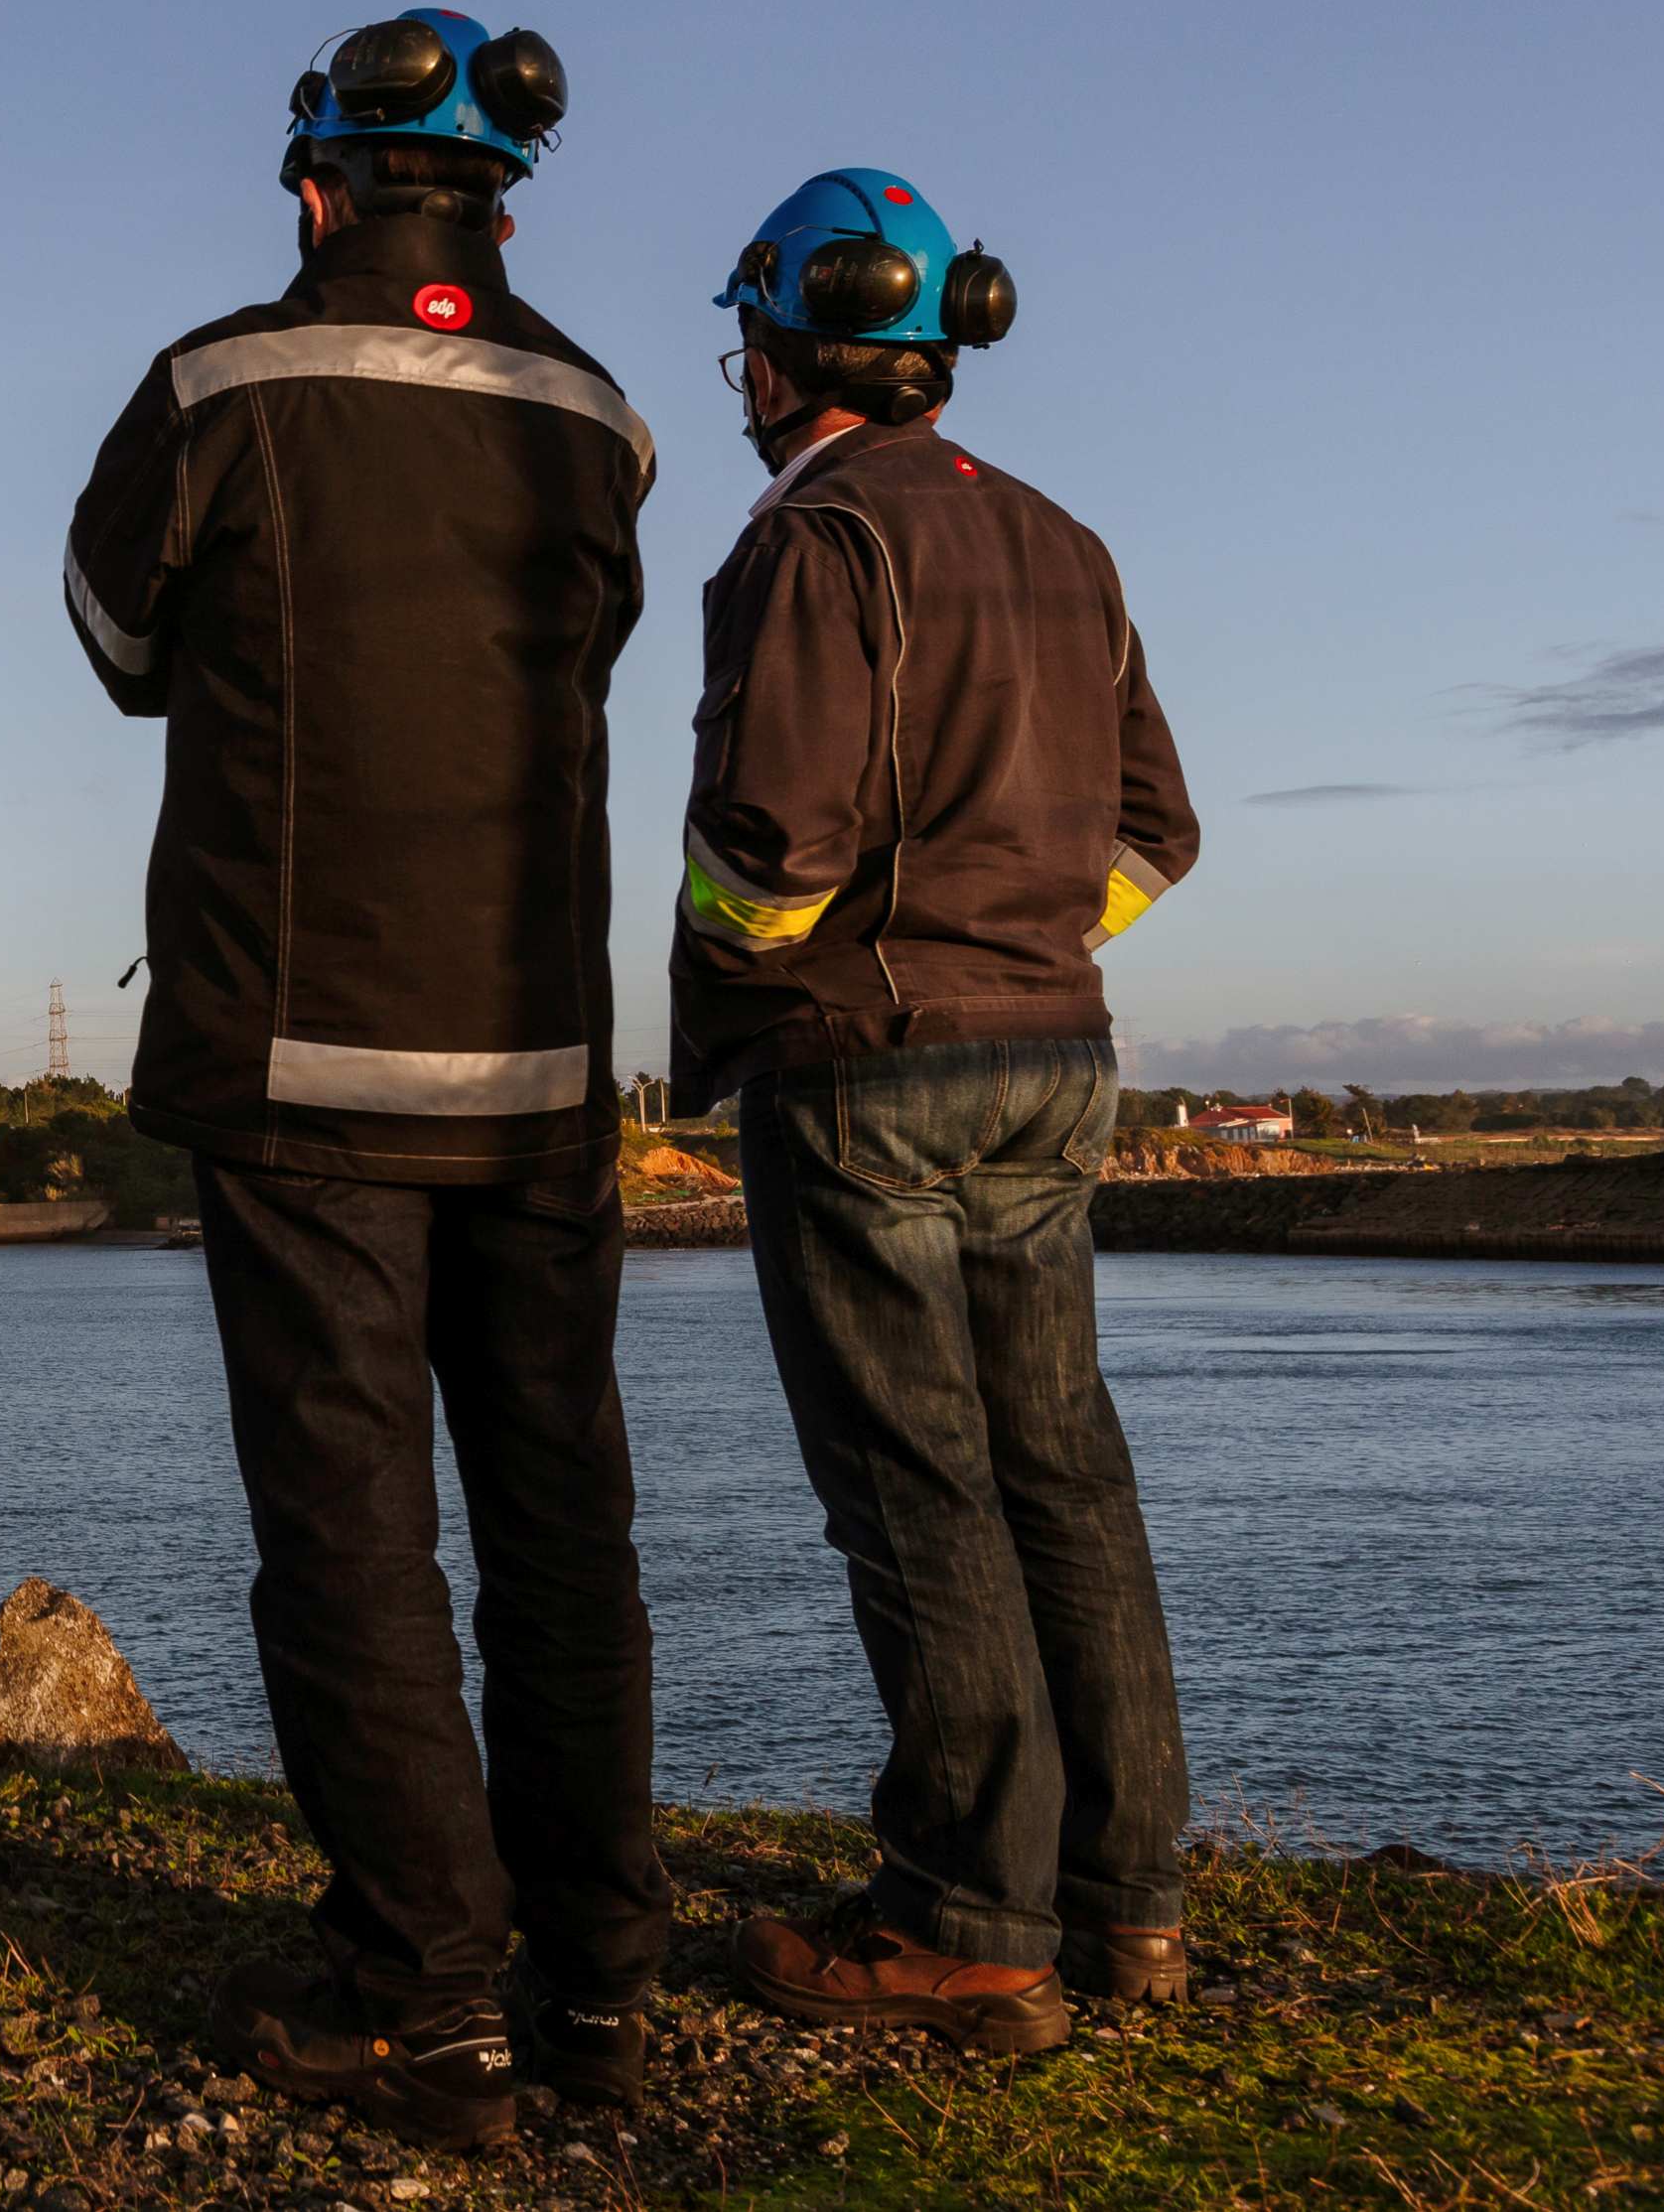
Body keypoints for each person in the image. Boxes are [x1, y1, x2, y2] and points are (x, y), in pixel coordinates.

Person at [65, 10, 667, 2145]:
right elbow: (579, 661)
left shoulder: (216, 382)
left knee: (351, 1536)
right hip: (544, 1064)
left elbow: (120, 643)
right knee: (561, 1522)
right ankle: (596, 1985)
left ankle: (422, 2007)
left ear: (314, 179)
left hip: (301, 1049)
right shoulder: (598, 417)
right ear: (493, 196)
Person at [671, 169, 1199, 2055]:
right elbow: (1158, 831)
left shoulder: (811, 539)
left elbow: (769, 847)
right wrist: (1030, 933)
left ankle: (974, 1921)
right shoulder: (1066, 541)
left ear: (796, 342)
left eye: (744, 335)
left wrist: (742, 980)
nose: (735, 371)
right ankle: (1131, 1898)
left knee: (919, 1489)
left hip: (870, 1064)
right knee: (1064, 1465)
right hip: (1057, 1058)